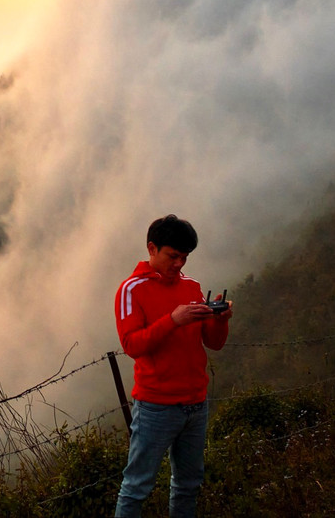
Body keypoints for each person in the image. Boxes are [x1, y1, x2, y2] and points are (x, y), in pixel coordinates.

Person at [113, 214, 232, 518]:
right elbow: (132, 346)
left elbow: (214, 343)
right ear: (152, 249)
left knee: (188, 484)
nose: (179, 263)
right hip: (156, 405)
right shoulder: (131, 289)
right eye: (173, 255)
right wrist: (173, 320)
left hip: (195, 402)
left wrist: (221, 320)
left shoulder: (192, 287)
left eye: (185, 257)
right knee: (136, 487)